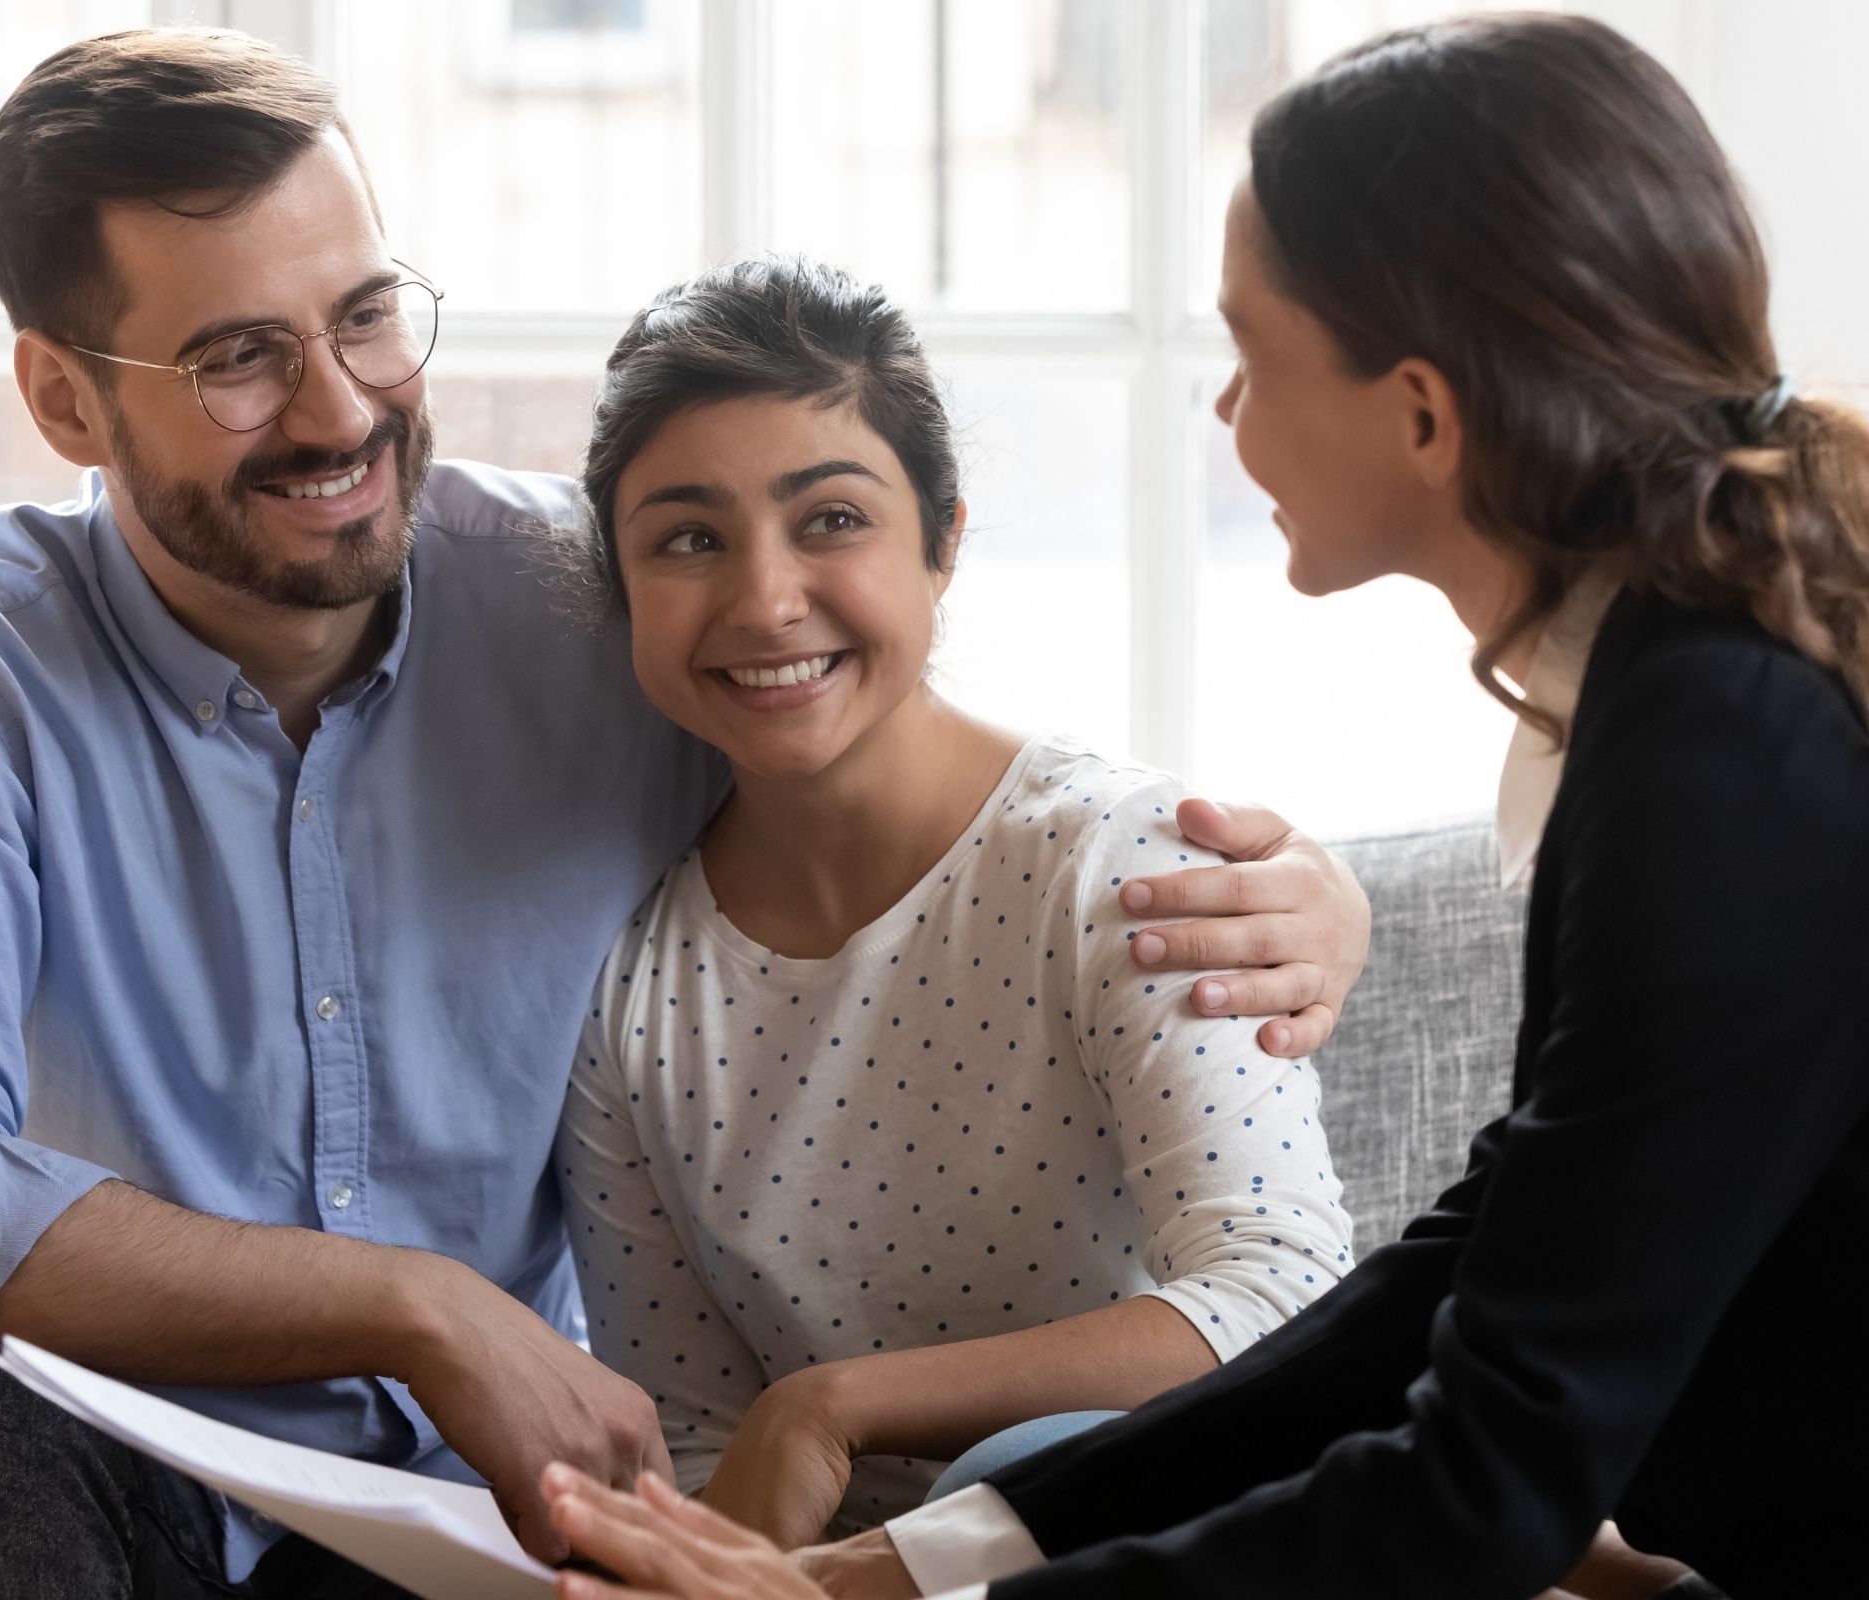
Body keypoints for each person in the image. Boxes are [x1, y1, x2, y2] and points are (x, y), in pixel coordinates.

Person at [538, 13, 1869, 1600]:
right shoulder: (1700, 684)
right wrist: (894, 1572)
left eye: (1253, 354)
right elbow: (1469, 1273)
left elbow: (1490, 1478)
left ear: (1421, 412)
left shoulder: (1724, 743)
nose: (1222, 413)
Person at [0, 26, 1373, 1599]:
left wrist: (1308, 883)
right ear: (64, 402)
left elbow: (886, 725)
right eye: (236, 357)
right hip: (111, 1463)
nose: (340, 412)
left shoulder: (606, 605)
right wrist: (415, 1304)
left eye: (366, 318)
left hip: (479, 1513)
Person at [556, 260, 1356, 1551]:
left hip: (1158, 1545)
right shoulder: (632, 993)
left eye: (830, 521)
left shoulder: (1116, 865)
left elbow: (1283, 1298)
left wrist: (835, 1408)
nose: (765, 600)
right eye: (688, 539)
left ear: (943, 546)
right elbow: (698, 1440)